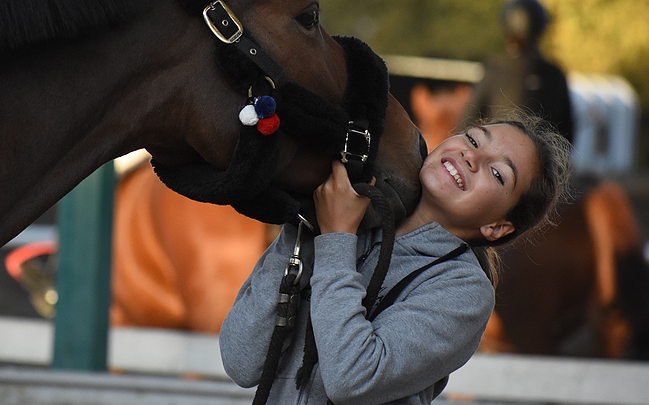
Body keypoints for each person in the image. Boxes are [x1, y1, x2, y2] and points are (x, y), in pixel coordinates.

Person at [220, 113, 570, 404]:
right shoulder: (344, 224)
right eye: (473, 139)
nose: (471, 157)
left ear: (496, 227)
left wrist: (336, 240)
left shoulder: (464, 291)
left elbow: (352, 378)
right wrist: (304, 223)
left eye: (498, 174)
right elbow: (242, 361)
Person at [461, 0, 574, 144]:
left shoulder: (495, 69)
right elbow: (567, 133)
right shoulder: (554, 75)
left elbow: (467, 121)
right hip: (540, 163)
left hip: (497, 157)